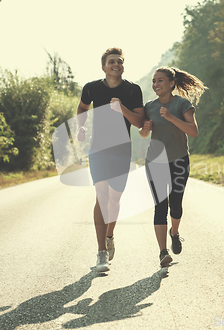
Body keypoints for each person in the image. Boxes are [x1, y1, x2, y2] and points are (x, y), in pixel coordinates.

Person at [77, 48, 145, 272]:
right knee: (102, 196)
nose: (116, 64)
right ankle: (101, 253)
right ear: (104, 67)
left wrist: (122, 108)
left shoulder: (133, 90)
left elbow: (139, 122)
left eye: (119, 61)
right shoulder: (92, 88)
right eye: (111, 61)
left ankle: (109, 235)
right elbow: (82, 107)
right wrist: (81, 127)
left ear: (123, 66)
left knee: (115, 200)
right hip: (98, 149)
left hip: (122, 150)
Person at [139, 66, 207, 267]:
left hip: (179, 160)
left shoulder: (182, 104)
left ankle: (174, 233)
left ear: (171, 83)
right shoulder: (149, 107)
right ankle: (162, 252)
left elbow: (193, 131)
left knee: (175, 204)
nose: (156, 84)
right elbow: (143, 133)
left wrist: (170, 117)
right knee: (160, 206)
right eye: (153, 81)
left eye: (160, 80)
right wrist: (145, 129)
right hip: (155, 162)